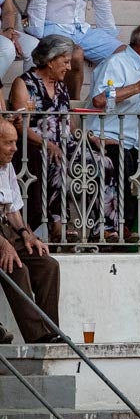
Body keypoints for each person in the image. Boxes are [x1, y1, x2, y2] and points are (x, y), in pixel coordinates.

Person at [89, 21, 140, 244]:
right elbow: (99, 100)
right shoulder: (117, 63)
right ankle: (120, 225)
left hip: (139, 143)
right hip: (110, 139)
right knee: (123, 159)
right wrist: (138, 87)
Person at [9, 35, 81, 242]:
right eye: (65, 62)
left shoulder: (61, 86)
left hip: (66, 145)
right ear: (50, 60)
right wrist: (47, 144)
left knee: (105, 163)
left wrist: (89, 138)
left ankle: (106, 229)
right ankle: (58, 226)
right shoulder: (24, 83)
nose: (69, 67)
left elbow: (68, 123)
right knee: (57, 161)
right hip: (36, 146)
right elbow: (21, 125)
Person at [0, 118, 62, 344]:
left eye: (15, 142)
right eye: (9, 143)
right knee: (17, 268)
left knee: (47, 264)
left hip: (7, 229)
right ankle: (37, 337)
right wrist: (3, 244)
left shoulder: (7, 167)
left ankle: (52, 329)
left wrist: (27, 234)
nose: (15, 149)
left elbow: (13, 210)